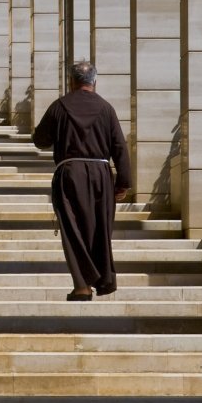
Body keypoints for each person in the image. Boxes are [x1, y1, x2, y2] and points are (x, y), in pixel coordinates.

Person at [31, 60, 132, 301]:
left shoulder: (60, 106)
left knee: (73, 229)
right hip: (101, 176)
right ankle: (102, 280)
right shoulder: (106, 108)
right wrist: (123, 182)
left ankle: (83, 286)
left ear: (71, 81)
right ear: (94, 81)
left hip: (70, 174)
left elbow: (40, 140)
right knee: (100, 230)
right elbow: (119, 146)